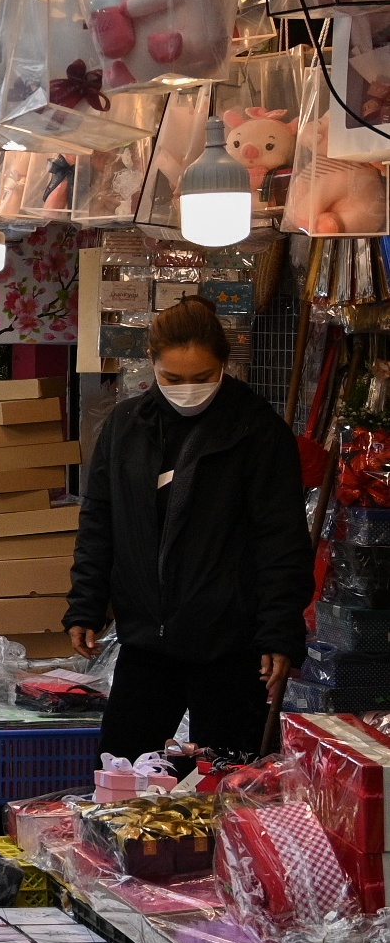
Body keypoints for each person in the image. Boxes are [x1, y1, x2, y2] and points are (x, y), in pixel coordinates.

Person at [66, 296, 312, 760]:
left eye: (203, 378)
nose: (188, 390)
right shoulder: (125, 426)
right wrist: (86, 604)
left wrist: (279, 632)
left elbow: (281, 541)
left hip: (231, 643)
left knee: (229, 783)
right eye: (172, 379)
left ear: (224, 365)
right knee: (123, 776)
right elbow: (99, 520)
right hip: (145, 639)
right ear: (152, 366)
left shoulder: (257, 431)